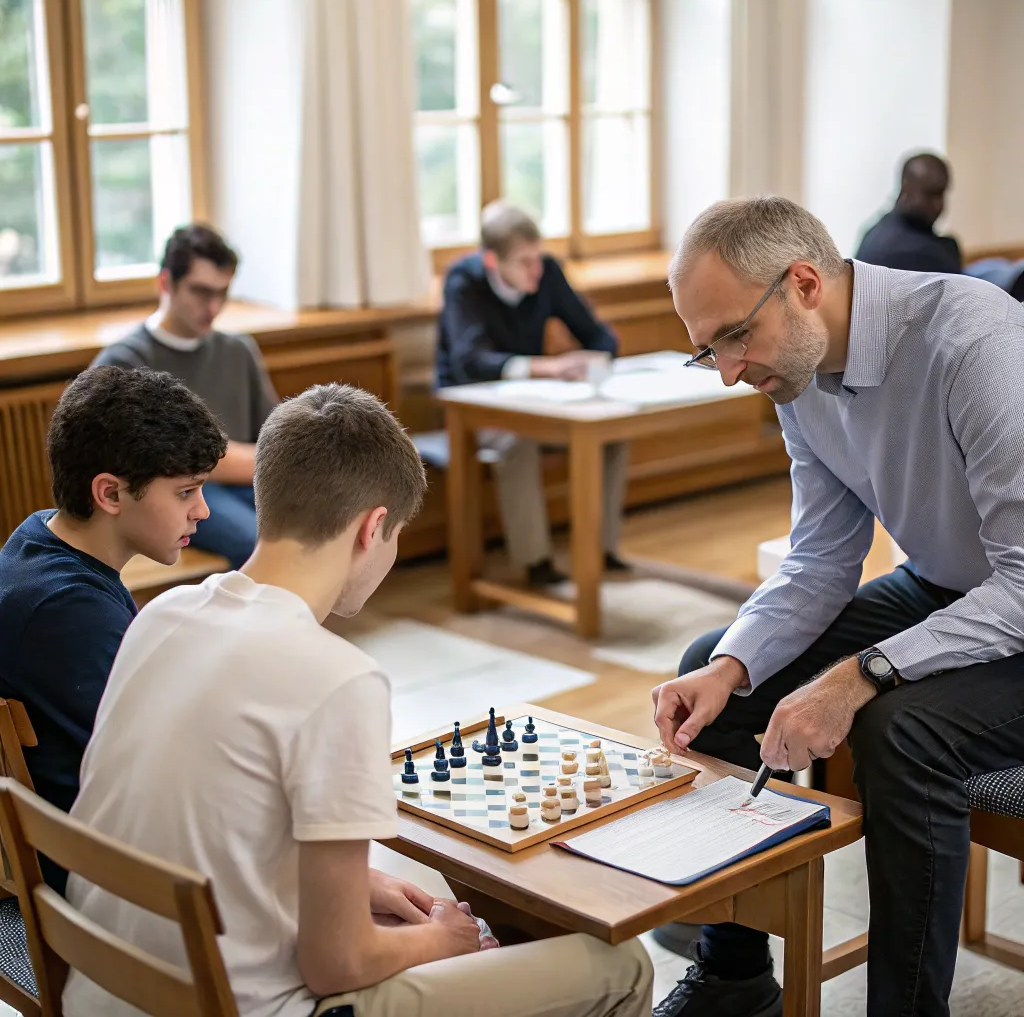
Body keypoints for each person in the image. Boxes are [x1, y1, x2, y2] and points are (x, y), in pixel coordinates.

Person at [63, 383, 654, 1017]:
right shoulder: (339, 679)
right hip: (244, 1006)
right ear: (373, 528)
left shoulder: (164, 612)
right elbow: (336, 966)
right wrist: (440, 941)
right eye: (396, 534)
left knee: (410, 886)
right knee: (620, 965)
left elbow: (210, 827)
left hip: (102, 992)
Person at [651, 195, 1024, 1017]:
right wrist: (731, 664)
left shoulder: (975, 339)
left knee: (904, 730)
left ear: (805, 283)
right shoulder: (796, 374)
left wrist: (862, 674)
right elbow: (822, 557)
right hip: (945, 585)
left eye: (732, 337)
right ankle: (735, 973)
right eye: (705, 350)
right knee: (716, 679)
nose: (727, 371)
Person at [0, 366, 226, 893]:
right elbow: (163, 776)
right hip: (107, 880)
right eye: (186, 491)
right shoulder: (68, 611)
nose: (203, 509)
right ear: (110, 493)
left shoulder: (36, 539)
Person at [436, 201, 630, 587]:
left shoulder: (548, 273)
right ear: (492, 262)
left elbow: (599, 334)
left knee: (611, 435)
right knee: (515, 443)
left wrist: (593, 356)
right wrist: (549, 367)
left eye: (538, 258)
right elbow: (471, 361)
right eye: (524, 263)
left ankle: (599, 550)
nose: (536, 271)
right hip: (472, 405)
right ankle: (536, 562)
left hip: (536, 399)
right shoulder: (463, 282)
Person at [93, 223, 278, 569]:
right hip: (178, 496)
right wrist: (266, 462)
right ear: (166, 283)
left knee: (312, 523)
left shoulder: (239, 350)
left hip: (247, 485)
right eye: (201, 292)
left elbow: (275, 433)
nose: (213, 306)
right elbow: (175, 464)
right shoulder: (125, 363)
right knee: (260, 542)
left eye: (222, 293)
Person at [854, 152, 961, 274]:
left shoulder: (876, 230)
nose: (938, 205)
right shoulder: (915, 253)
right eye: (931, 195)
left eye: (941, 194)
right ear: (907, 188)